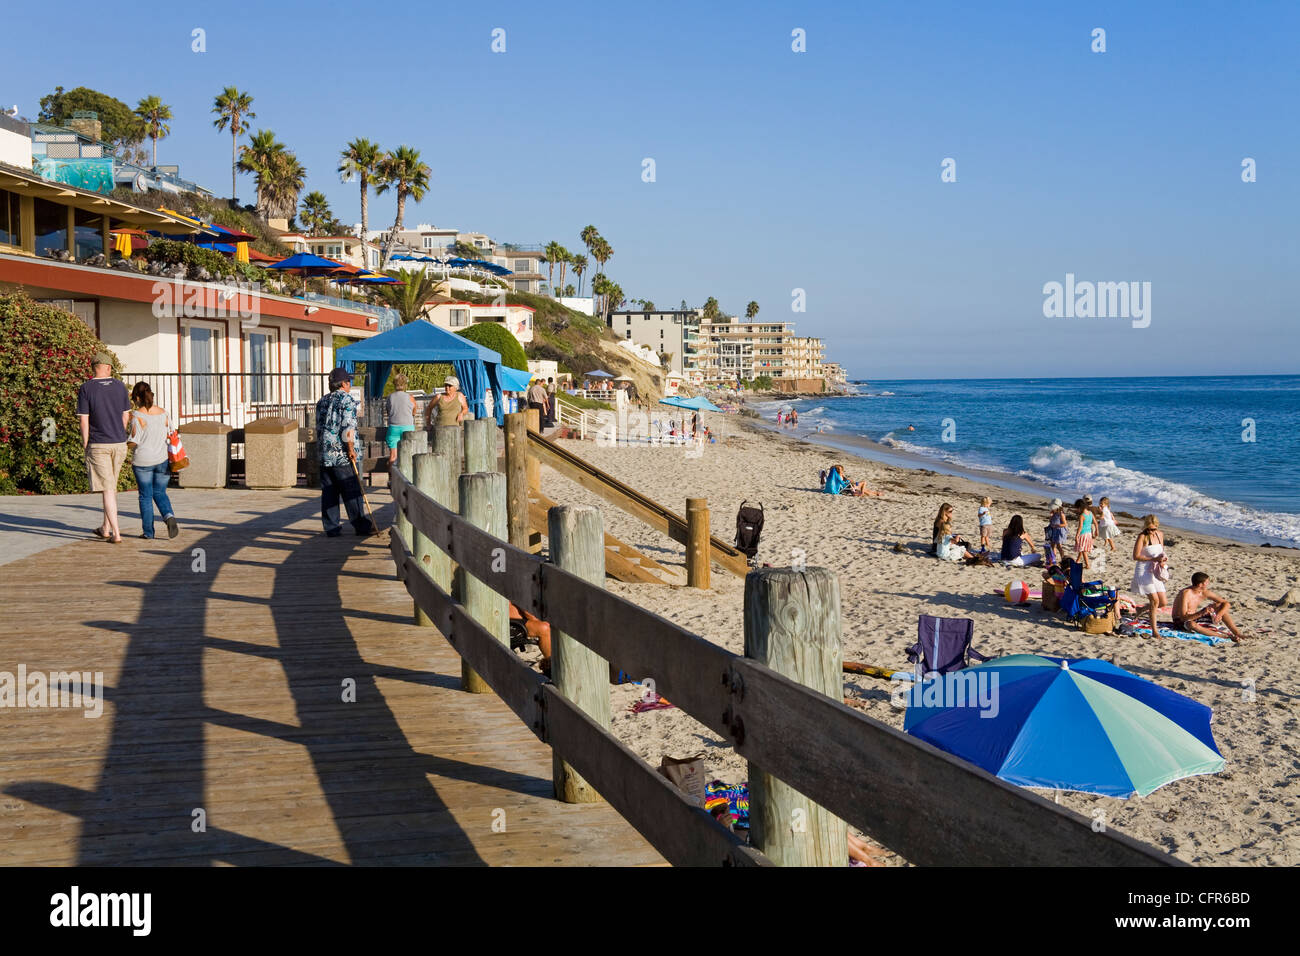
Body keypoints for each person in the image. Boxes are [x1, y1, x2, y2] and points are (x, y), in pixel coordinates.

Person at [77, 352, 132, 544]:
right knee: (111, 487)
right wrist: (118, 432)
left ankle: (116, 534)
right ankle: (105, 528)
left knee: (107, 489)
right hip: (119, 443)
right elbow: (126, 416)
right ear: (108, 367)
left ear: (94, 367)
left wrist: (86, 444)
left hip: (99, 444)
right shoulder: (120, 386)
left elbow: (84, 421)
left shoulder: (86, 388)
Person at [315, 368, 377, 537]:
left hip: (324, 453)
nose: (350, 385)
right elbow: (347, 427)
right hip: (341, 454)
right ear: (343, 384)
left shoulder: (322, 401)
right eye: (349, 382)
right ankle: (361, 525)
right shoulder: (347, 400)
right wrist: (350, 449)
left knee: (329, 491)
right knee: (352, 490)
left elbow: (320, 427)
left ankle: (331, 527)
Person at [127, 381, 179, 540]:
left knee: (145, 496)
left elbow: (134, 440)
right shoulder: (164, 413)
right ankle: (169, 516)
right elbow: (171, 433)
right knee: (160, 492)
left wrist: (125, 445)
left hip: (143, 461)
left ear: (137, 397)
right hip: (162, 459)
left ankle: (149, 532)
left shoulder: (137, 415)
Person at [1173, 572, 1246, 643]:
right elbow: (1183, 618)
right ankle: (1224, 637)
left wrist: (1219, 615)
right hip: (1182, 621)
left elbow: (1226, 603)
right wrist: (1201, 613)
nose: (1208, 584)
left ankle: (1237, 633)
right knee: (1191, 624)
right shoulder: (1186, 593)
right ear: (1200, 584)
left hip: (1195, 617)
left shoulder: (1204, 592)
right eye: (1207, 582)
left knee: (1219, 606)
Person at [1131, 515, 1169, 638]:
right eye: (1148, 529)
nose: (1150, 531)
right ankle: (1154, 631)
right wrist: (1153, 558)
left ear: (1157, 527)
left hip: (1155, 569)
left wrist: (1163, 560)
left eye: (1153, 529)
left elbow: (1161, 552)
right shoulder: (1142, 537)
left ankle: (1141, 610)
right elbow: (1136, 556)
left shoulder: (1160, 534)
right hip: (1143, 570)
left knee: (1163, 602)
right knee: (1155, 601)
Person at [385, 373, 416, 464]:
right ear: (405, 384)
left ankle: (392, 476)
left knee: (393, 456)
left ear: (395, 384)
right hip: (407, 428)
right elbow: (414, 412)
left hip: (394, 428)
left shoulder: (390, 397)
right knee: (409, 454)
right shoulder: (410, 397)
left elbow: (388, 412)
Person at [1045, 498, 1069, 565]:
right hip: (1054, 530)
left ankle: (1063, 559)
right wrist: (1051, 516)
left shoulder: (1061, 514)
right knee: (1052, 545)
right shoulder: (1054, 512)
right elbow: (1051, 521)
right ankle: (1053, 559)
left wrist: (1058, 525)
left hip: (1059, 531)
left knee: (1059, 546)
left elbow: (1065, 524)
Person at [1074, 496, 1095, 569]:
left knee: (1083, 550)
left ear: (1080, 507)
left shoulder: (1082, 516)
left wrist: (1077, 536)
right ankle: (1077, 560)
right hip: (1089, 534)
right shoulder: (1090, 513)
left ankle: (1087, 565)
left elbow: (1080, 527)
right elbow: (1093, 522)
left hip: (1083, 534)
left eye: (1077, 508)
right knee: (1082, 548)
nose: (1077, 510)